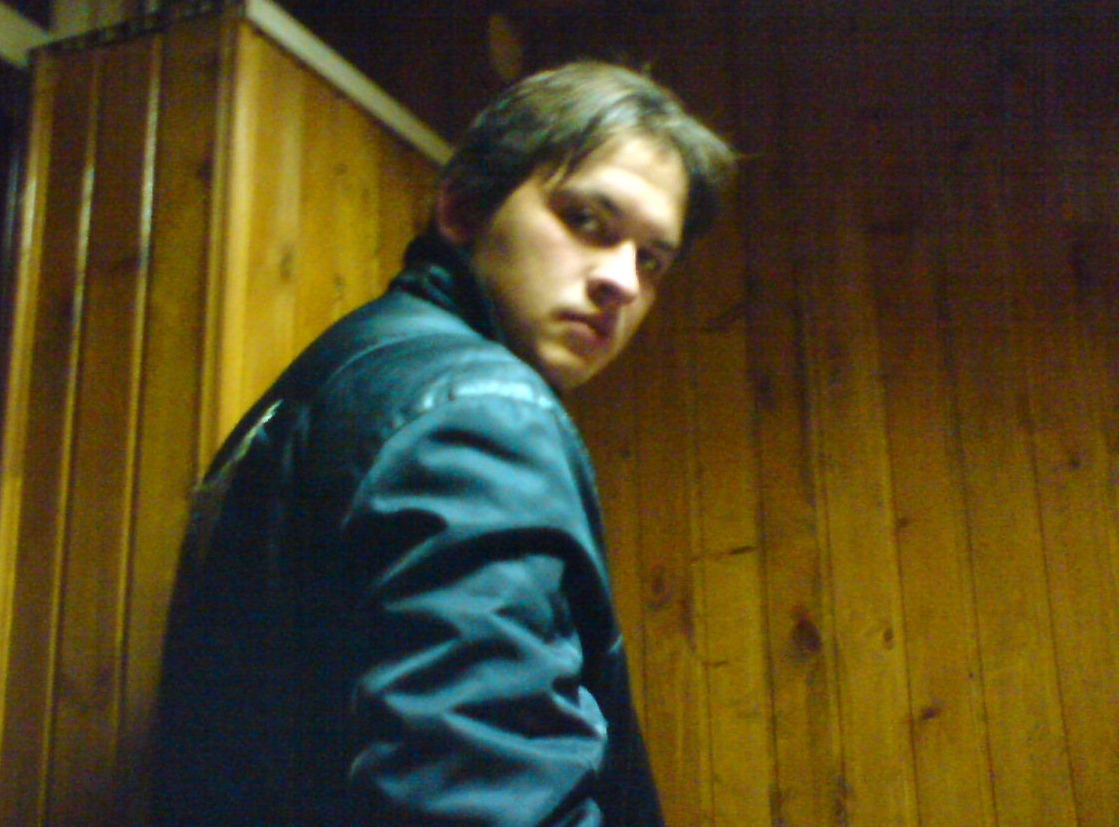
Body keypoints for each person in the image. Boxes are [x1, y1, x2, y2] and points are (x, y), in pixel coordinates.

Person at [154, 61, 736, 826]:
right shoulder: (479, 413)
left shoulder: (349, 373)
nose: (623, 282)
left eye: (651, 259)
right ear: (461, 209)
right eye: (586, 220)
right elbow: (482, 799)